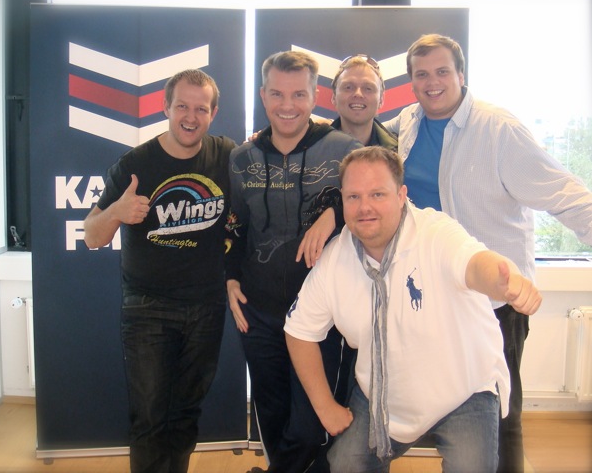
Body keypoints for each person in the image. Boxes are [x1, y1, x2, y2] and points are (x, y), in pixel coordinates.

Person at [383, 33, 592, 473]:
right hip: (436, 296)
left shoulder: (499, 129)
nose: (432, 82)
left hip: (496, 298)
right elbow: (360, 139)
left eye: (442, 72)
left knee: (500, 412)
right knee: (454, 408)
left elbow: (563, 192)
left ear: (461, 74)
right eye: (422, 74)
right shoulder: (408, 122)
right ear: (411, 81)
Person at [285, 145, 543, 473]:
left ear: (401, 195)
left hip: (465, 389)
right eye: (353, 197)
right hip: (383, 394)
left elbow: (476, 263)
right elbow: (299, 331)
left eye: (377, 194)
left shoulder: (435, 232)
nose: (365, 207)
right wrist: (325, 407)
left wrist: (504, 282)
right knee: (345, 464)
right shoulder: (336, 259)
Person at [83, 69, 237, 473]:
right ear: (165, 107)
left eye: (201, 109)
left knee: (185, 415)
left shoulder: (226, 154)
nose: (191, 117)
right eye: (182, 106)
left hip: (206, 307)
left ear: (213, 113)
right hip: (148, 308)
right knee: (150, 419)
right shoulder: (136, 163)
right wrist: (117, 212)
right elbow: (93, 236)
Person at [225, 50, 361, 473]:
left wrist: (334, 212)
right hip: (258, 311)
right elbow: (235, 226)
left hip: (321, 316)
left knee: (309, 423)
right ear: (263, 95)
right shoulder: (242, 158)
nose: (288, 105)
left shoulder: (345, 150)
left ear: (315, 96)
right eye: (277, 94)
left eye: (299, 94)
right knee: (271, 413)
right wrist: (229, 277)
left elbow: (370, 205)